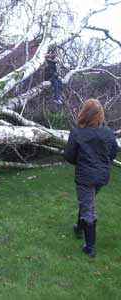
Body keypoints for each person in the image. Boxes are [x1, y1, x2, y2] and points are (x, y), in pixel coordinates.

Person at [64, 99, 118, 257]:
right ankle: (79, 228)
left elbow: (69, 156)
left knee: (89, 209)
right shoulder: (107, 132)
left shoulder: (77, 133)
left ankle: (90, 248)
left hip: (86, 177)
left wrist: (81, 163)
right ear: (99, 114)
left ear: (84, 112)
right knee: (87, 201)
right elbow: (113, 152)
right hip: (102, 176)